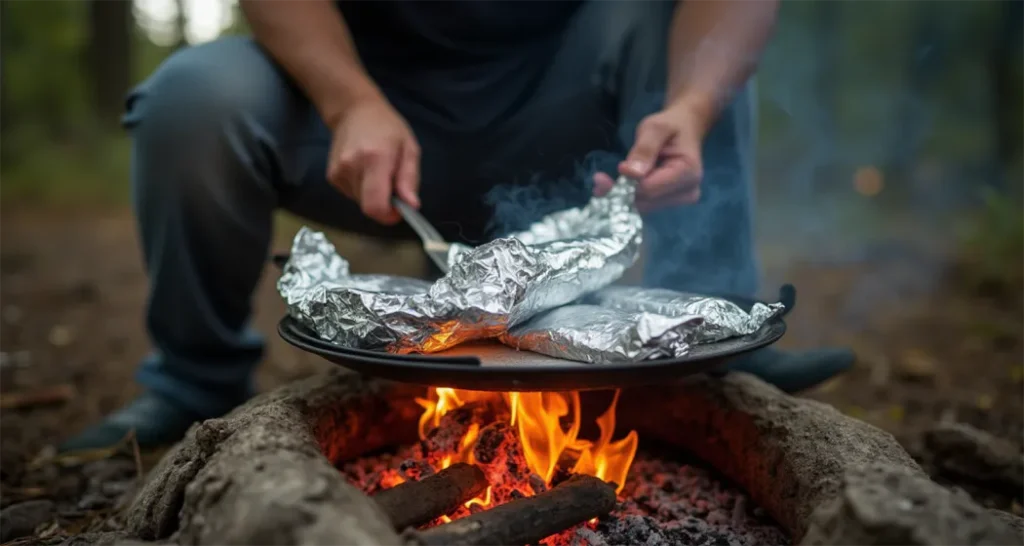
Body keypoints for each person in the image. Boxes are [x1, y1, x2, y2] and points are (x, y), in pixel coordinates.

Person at [59, 0, 854, 452]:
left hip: (567, 115)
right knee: (193, 102)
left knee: (676, 33)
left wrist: (690, 107)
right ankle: (194, 381)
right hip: (352, 111)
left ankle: (710, 352)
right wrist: (348, 100)